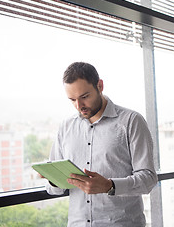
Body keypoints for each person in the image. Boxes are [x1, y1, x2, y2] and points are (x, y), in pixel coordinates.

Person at [45, 62, 158, 227]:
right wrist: (54, 179)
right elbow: (53, 189)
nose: (79, 106)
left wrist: (110, 186)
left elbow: (148, 179)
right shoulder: (66, 127)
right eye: (72, 100)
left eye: (84, 97)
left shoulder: (131, 121)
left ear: (100, 85)